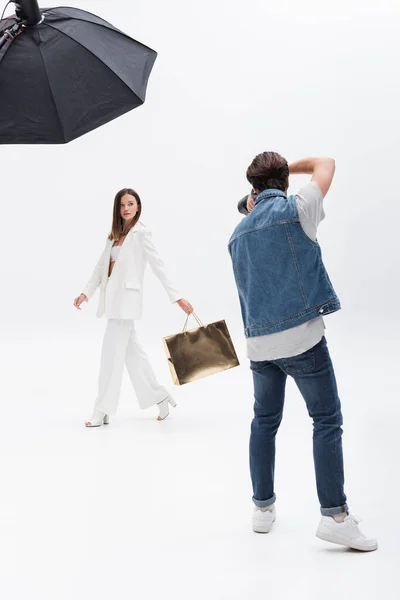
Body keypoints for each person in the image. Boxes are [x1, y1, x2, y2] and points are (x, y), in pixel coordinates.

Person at [229, 152, 377, 551]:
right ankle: (335, 516)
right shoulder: (299, 209)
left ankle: (262, 509)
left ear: (254, 188)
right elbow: (327, 162)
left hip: (259, 345)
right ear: (285, 182)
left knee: (264, 421)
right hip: (302, 340)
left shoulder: (238, 233)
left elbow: (245, 205)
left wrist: (256, 195)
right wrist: (288, 167)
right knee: (326, 420)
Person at [74, 188, 193, 426]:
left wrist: (177, 297)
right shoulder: (113, 236)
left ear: (138, 207)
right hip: (112, 302)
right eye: (122, 205)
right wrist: (86, 292)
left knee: (110, 354)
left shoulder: (142, 234)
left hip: (127, 302)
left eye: (130, 204)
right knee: (133, 354)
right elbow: (101, 268)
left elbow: (159, 266)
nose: (126, 208)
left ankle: (102, 408)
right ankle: (160, 396)